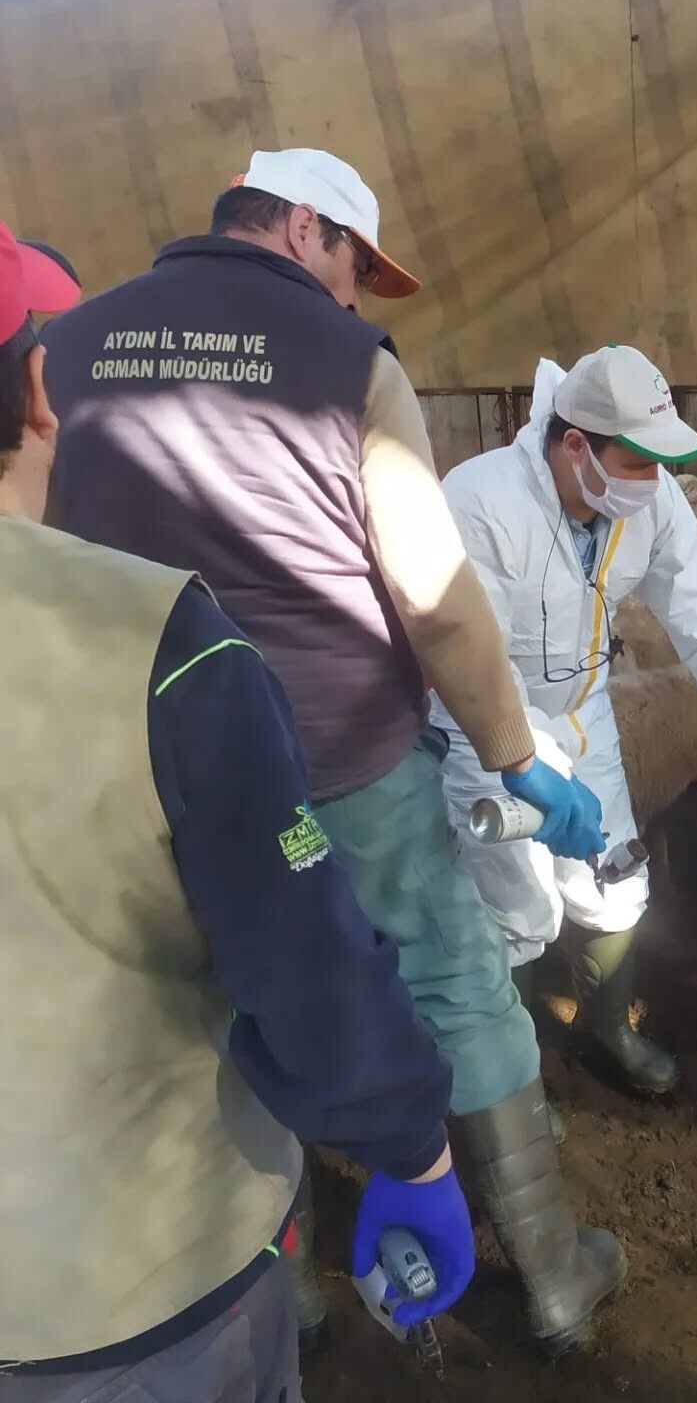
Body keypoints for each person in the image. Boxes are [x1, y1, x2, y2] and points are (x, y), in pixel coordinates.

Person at [40, 150, 623, 1356]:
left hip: (143, 755)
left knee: (215, 1001)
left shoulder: (63, 347)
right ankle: (558, 1280)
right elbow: (438, 596)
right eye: (356, 263)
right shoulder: (344, 362)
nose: (355, 296)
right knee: (456, 984)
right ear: (305, 228)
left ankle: (286, 1292)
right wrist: (517, 758)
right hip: (341, 753)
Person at [0, 218, 473, 1397]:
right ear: (41, 388)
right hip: (126, 1294)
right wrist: (410, 1150)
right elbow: (301, 958)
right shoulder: (161, 645)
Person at [435, 346, 697, 1095]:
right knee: (514, 905)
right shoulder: (480, 501)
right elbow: (471, 653)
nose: (653, 482)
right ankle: (507, 1079)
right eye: (636, 463)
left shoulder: (648, 498)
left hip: (584, 711)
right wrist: (525, 766)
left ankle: (607, 1028)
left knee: (616, 880)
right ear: (576, 445)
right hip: (485, 726)